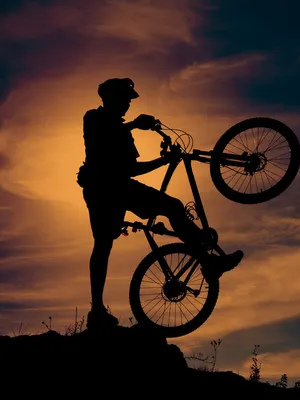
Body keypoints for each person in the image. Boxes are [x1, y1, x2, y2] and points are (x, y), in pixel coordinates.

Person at [77, 77, 243, 329]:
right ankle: (97, 311)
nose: (128, 105)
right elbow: (102, 137)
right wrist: (133, 125)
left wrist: (165, 161)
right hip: (103, 188)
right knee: (103, 246)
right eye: (125, 99)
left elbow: (132, 168)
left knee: (171, 207)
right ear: (110, 98)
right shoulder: (93, 118)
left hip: (121, 187)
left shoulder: (124, 133)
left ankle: (207, 261)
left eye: (129, 101)